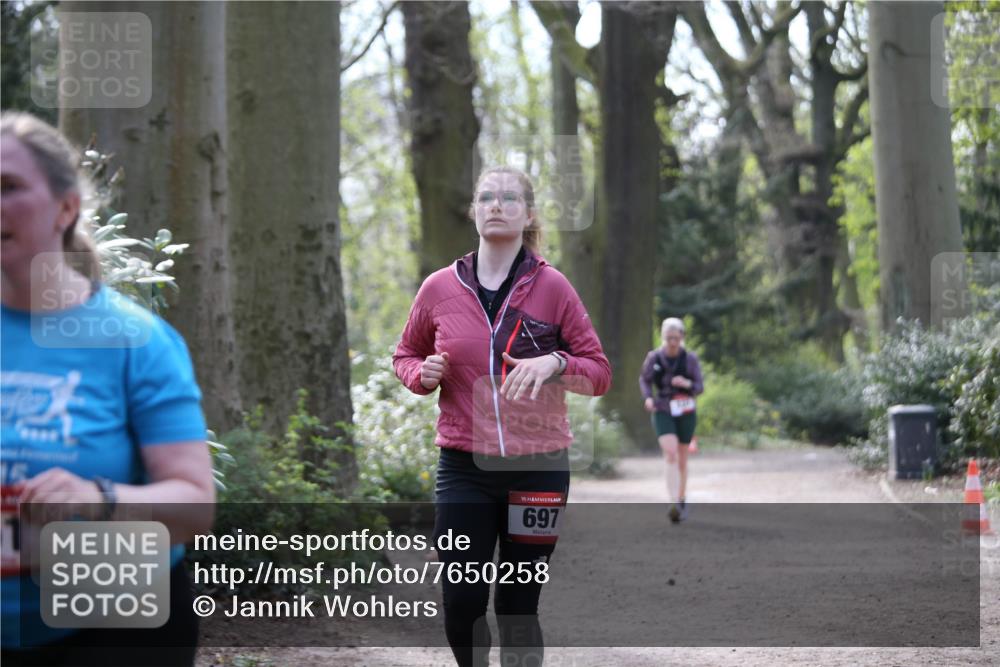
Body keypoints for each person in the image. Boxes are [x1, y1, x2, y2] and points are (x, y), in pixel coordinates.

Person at [1, 111, 215, 666]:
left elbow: (195, 506)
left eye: (9, 187)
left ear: (65, 208)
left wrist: (96, 500)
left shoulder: (135, 340)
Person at [393, 166, 611, 666]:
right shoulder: (439, 288)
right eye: (487, 197)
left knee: (517, 605)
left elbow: (598, 372)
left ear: (528, 214)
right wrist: (421, 374)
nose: (496, 205)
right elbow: (405, 354)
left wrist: (556, 362)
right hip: (464, 468)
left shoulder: (553, 287)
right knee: (461, 600)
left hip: (539, 467)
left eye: (509, 198)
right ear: (473, 210)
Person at [639, 317, 704, 523]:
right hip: (663, 409)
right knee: (671, 452)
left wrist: (686, 383)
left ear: (682, 337)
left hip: (685, 411)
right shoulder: (654, 357)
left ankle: (682, 499)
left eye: (676, 338)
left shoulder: (690, 359)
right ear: (663, 337)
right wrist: (648, 397)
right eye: (669, 338)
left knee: (682, 458)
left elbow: (700, 387)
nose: (672, 342)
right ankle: (673, 502)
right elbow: (644, 380)